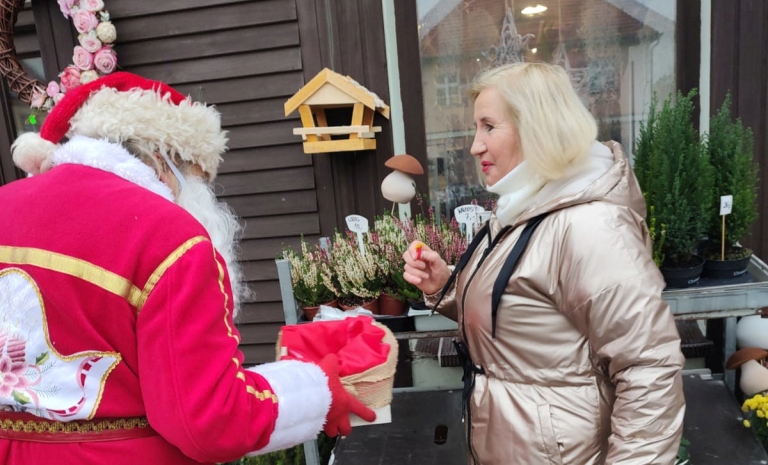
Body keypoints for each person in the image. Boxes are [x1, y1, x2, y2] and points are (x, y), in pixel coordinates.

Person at [0, 72, 374, 464]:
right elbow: (207, 421)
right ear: (165, 160)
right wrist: (318, 391)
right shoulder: (170, 238)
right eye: (198, 180)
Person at [403, 62, 685, 464]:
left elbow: (649, 369)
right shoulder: (522, 208)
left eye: (488, 126)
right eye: (476, 128)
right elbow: (528, 319)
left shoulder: (589, 225)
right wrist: (445, 286)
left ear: (535, 126)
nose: (474, 145)